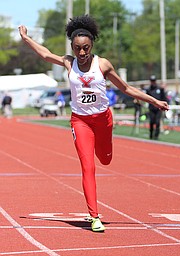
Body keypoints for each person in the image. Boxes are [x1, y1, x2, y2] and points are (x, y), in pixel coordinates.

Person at [19, 15, 169, 232]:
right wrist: (27, 39)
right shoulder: (68, 62)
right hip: (80, 121)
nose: (81, 53)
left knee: (105, 160)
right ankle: (94, 216)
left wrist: (153, 101)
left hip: (103, 119)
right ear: (72, 46)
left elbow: (126, 89)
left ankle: (104, 152)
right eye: (77, 48)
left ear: (92, 46)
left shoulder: (103, 65)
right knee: (87, 167)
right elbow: (45, 54)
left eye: (86, 48)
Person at [146, 75, 167, 140]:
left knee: (157, 122)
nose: (152, 82)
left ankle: (156, 135)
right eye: (151, 81)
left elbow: (163, 98)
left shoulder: (160, 89)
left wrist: (164, 105)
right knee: (152, 121)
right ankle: (151, 134)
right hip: (151, 108)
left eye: (153, 81)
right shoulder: (149, 89)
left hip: (158, 108)